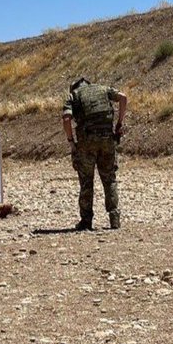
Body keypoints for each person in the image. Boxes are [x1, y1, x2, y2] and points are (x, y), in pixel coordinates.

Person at [62, 77, 127, 230]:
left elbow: (66, 119)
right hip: (107, 140)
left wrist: (71, 142)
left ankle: (86, 221)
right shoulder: (104, 89)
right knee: (109, 178)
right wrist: (119, 124)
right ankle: (114, 218)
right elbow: (123, 98)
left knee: (86, 181)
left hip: (86, 142)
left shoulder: (73, 96)